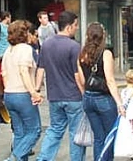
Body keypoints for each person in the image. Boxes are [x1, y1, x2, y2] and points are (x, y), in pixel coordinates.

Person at [34, 11, 86, 161]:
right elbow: (77, 75)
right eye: (75, 25)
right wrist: (84, 93)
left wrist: (36, 91)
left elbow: (41, 69)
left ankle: (44, 158)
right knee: (76, 132)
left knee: (55, 129)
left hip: (54, 95)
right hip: (73, 96)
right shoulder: (74, 46)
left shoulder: (47, 44)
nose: (76, 28)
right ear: (69, 27)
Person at [77, 22, 124, 161]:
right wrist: (119, 103)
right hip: (103, 98)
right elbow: (110, 80)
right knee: (110, 136)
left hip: (88, 98)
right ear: (103, 36)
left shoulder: (81, 54)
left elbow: (81, 80)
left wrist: (85, 95)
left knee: (98, 138)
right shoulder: (106, 53)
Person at [1, 20, 42, 161]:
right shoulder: (25, 49)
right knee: (34, 130)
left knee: (19, 132)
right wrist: (34, 93)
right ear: (24, 33)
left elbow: (4, 74)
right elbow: (24, 71)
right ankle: (13, 158)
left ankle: (18, 158)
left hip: (9, 94)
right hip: (22, 94)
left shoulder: (7, 51)